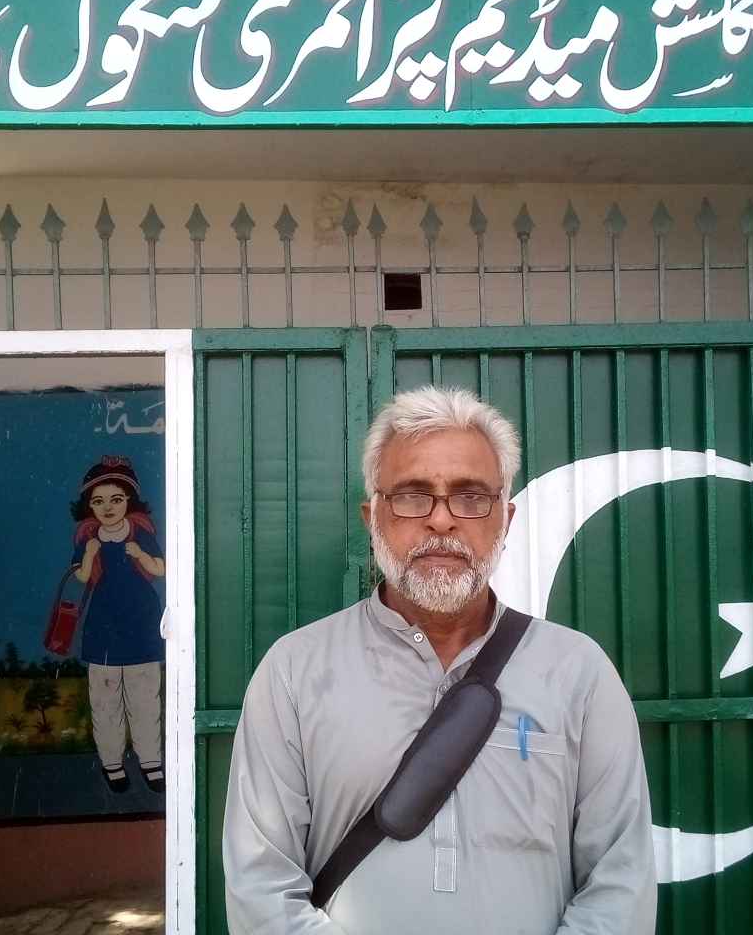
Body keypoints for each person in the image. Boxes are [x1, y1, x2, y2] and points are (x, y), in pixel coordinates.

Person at [223, 386, 656, 934]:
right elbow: (261, 887)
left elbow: (619, 882)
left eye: (471, 497)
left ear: (506, 519)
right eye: (412, 496)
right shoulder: (293, 673)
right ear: (372, 518)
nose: (442, 520)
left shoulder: (578, 673)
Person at [70, 455, 166, 794]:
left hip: (142, 623)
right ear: (89, 506)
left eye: (116, 499)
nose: (108, 507)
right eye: (98, 501)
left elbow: (160, 569)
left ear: (129, 501)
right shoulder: (87, 537)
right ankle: (112, 763)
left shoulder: (142, 532)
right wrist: (89, 554)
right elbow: (82, 577)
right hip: (103, 626)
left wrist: (139, 554)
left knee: (145, 697)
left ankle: (151, 762)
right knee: (105, 699)